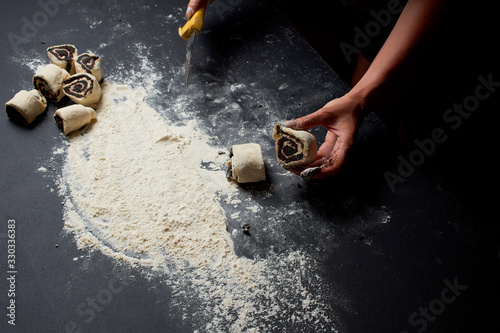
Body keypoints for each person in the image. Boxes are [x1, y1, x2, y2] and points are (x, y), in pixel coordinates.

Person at [185, 0, 445, 179]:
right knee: (311, 74)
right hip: (309, 6)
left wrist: (359, 98)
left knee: (370, 130)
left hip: (395, 17)